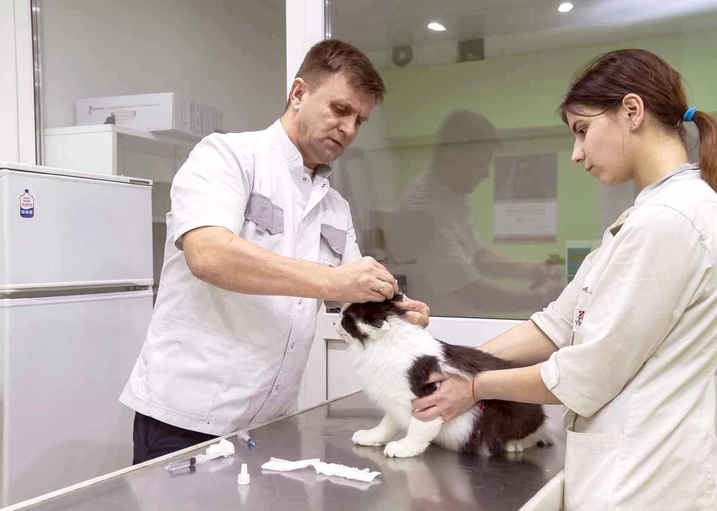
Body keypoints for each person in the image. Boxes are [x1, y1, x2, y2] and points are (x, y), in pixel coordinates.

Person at [412, 49, 717, 510]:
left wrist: (473, 386)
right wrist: (455, 363)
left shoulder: (670, 220)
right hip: (627, 471)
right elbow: (554, 325)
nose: (576, 154)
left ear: (632, 111)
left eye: (582, 130)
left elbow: (584, 376)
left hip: (644, 482)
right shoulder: (646, 217)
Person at [120, 39, 430, 464]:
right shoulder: (227, 157)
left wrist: (396, 311)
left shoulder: (334, 207)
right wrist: (333, 280)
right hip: (186, 419)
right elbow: (208, 255)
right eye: (340, 110)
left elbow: (353, 291)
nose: (349, 129)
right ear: (299, 93)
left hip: (272, 421)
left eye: (360, 120)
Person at [386, 109, 564, 317]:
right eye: (483, 162)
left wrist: (534, 270)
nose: (486, 174)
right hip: (438, 325)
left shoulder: (451, 195)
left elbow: (479, 254)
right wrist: (541, 296)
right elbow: (472, 292)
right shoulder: (422, 210)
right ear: (456, 157)